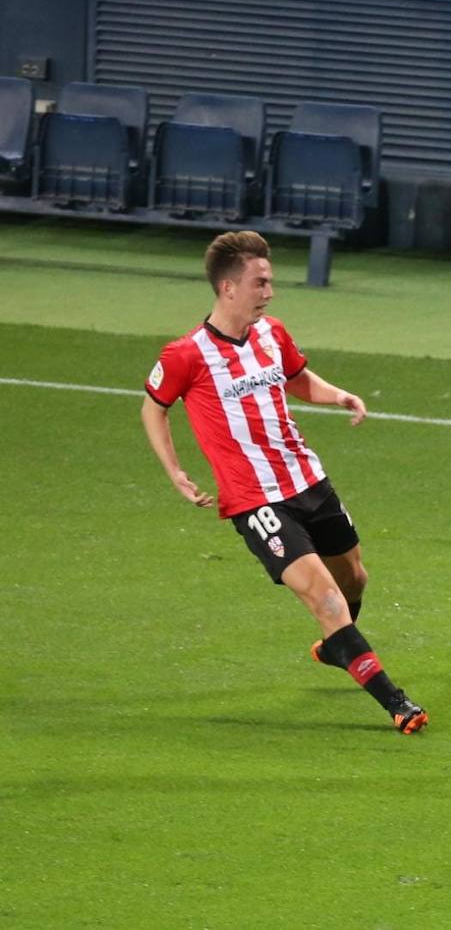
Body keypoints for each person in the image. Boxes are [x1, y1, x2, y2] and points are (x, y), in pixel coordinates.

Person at [140, 230, 428, 735]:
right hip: (256, 501)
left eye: (269, 282)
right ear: (229, 287)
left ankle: (340, 647)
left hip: (307, 478)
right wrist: (176, 473)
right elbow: (153, 408)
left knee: (354, 578)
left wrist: (339, 396)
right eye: (260, 282)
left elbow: (296, 378)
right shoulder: (187, 354)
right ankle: (397, 703)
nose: (269, 291)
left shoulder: (272, 333)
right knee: (326, 599)